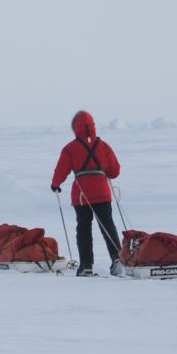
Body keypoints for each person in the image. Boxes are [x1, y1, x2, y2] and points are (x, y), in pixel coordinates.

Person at [49, 110, 123, 275]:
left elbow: (62, 170)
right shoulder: (103, 146)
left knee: (84, 228)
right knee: (108, 226)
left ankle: (86, 266)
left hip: (82, 196)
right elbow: (115, 171)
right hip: (103, 192)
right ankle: (118, 261)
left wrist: (55, 184)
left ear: (75, 128)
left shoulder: (70, 148)